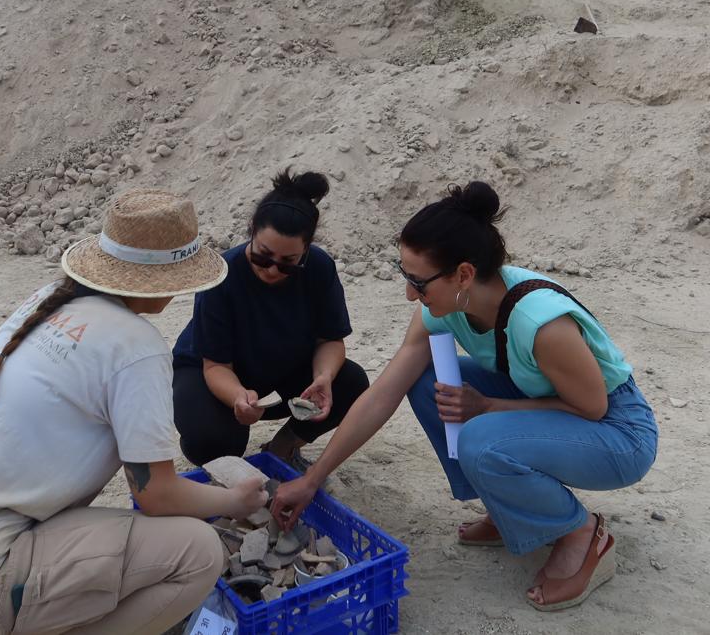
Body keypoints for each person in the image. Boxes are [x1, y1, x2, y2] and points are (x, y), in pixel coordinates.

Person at [0, 190, 268, 635]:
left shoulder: (51, 299)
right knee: (198, 552)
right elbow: (156, 495)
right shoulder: (136, 347)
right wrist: (234, 501)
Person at [273, 182, 659, 612]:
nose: (409, 294)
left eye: (418, 283)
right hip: (555, 404)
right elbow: (385, 393)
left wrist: (492, 407)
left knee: (481, 439)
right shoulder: (448, 306)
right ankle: (510, 507)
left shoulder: (541, 323)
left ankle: (582, 534)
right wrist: (311, 479)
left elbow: (593, 407)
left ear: (463, 274)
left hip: (618, 432)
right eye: (406, 277)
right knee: (428, 380)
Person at [172, 169, 369, 469]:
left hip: (281, 372)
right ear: (251, 229)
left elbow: (330, 340)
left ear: (306, 249)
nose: (273, 270)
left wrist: (323, 377)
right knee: (212, 442)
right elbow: (215, 366)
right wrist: (238, 396)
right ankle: (223, 441)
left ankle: (283, 448)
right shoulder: (222, 274)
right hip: (213, 372)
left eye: (288, 263)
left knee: (351, 383)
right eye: (263, 256)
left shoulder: (319, 268)